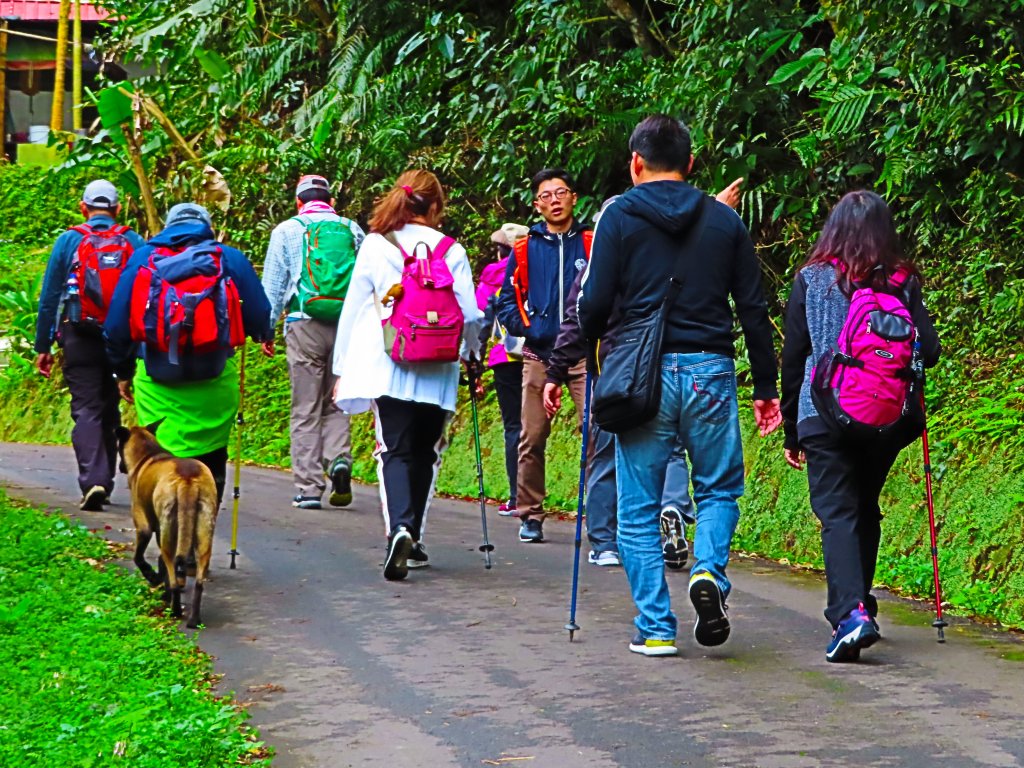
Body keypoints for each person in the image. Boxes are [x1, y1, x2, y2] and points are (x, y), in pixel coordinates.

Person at [578, 115, 781, 657]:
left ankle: (656, 627)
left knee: (638, 507)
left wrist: (586, 353)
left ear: (635, 162)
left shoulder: (618, 216)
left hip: (641, 378)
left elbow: (593, 304)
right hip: (711, 368)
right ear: (690, 163)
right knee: (718, 489)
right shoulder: (724, 219)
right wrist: (765, 385)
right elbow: (753, 308)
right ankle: (708, 570)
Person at [780, 190, 940, 662]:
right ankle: (859, 605)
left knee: (838, 511)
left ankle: (850, 614)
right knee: (863, 507)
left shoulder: (811, 278)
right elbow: (929, 350)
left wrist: (791, 427)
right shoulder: (903, 281)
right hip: (885, 417)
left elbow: (794, 356)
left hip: (820, 412)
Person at [544, 186, 741, 569]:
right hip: (667, 366)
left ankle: (605, 541)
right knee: (673, 447)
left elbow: (578, 321)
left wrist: (556, 370)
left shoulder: (599, 268)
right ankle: (672, 506)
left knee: (606, 453)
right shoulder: (658, 262)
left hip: (617, 371)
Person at [332, 170, 485, 581]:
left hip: (389, 362)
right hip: (439, 365)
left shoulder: (376, 245)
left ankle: (399, 528)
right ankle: (414, 537)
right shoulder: (452, 250)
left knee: (394, 450)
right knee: (425, 452)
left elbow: (353, 307)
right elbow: (470, 314)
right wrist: (472, 354)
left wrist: (342, 367)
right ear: (435, 207)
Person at [105, 203, 272, 507]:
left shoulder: (142, 258)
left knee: (161, 457)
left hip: (157, 382)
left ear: (168, 227)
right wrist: (261, 334)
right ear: (207, 227)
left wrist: (123, 371)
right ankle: (205, 510)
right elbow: (261, 315)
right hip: (215, 378)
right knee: (212, 455)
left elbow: (116, 325)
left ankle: (165, 519)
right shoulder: (228, 258)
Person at [34, 179, 146, 511]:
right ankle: (104, 480)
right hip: (120, 335)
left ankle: (94, 480)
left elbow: (50, 297)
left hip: (78, 333)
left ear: (84, 208)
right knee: (110, 404)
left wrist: (43, 345)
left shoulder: (69, 240)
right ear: (117, 208)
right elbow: (146, 293)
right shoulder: (133, 240)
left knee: (86, 407)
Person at [495, 168, 591, 544]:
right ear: (537, 204)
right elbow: (506, 300)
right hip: (539, 353)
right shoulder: (525, 248)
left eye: (561, 192)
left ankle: (603, 515)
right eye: (546, 195)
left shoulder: (591, 243)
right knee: (532, 436)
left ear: (574, 198)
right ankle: (530, 513)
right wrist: (530, 328)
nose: (555, 200)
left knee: (595, 432)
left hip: (583, 354)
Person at [261, 174, 364, 510]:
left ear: (298, 202)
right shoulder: (352, 229)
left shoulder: (286, 231)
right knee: (336, 401)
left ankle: (308, 488)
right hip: (346, 326)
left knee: (305, 408)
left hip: (304, 323)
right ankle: (339, 460)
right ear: (331, 201)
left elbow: (273, 287)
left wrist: (266, 329)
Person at [476, 223, 530, 517]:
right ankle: (534, 496)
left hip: (505, 358)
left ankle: (516, 496)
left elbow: (480, 322)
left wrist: (474, 360)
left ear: (501, 251)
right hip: (539, 355)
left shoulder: (491, 277)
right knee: (534, 428)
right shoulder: (539, 270)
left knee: (513, 427)